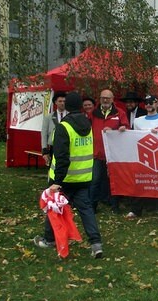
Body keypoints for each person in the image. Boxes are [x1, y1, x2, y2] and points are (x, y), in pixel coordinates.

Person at [34, 92, 103, 259]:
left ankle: (49, 240)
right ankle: (96, 244)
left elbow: (62, 157)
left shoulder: (63, 127)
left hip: (64, 179)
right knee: (86, 210)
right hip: (83, 177)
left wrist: (56, 182)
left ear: (67, 106)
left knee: (54, 208)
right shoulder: (87, 123)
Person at [129, 94, 158, 222]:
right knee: (140, 183)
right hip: (142, 156)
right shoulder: (138, 121)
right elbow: (133, 137)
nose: (148, 104)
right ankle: (136, 209)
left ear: (157, 104)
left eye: (151, 102)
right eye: (146, 102)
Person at [89, 89, 129, 214]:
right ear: (99, 99)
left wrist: (120, 128)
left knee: (114, 181)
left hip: (113, 155)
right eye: (103, 98)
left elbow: (126, 127)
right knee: (95, 180)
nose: (105, 100)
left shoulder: (120, 113)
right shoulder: (93, 114)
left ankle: (115, 206)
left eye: (107, 98)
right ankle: (92, 206)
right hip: (96, 154)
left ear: (112, 99)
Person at [41, 92, 66, 166]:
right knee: (52, 169)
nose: (62, 103)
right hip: (53, 147)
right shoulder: (48, 117)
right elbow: (44, 134)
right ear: (55, 102)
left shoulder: (70, 116)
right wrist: (44, 150)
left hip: (67, 146)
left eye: (64, 101)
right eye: (60, 101)